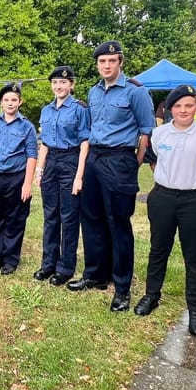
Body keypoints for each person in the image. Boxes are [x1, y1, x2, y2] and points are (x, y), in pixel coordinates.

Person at [133, 85, 196, 336]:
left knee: (194, 256)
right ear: (170, 109)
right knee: (158, 249)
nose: (183, 110)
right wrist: (169, 181)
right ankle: (151, 296)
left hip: (195, 201)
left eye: (188, 105)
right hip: (163, 197)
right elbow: (153, 162)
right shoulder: (159, 134)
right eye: (178, 106)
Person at [70, 41, 155, 313]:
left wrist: (134, 162)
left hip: (120, 159)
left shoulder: (136, 92)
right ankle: (96, 274)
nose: (106, 66)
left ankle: (121, 287)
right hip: (95, 156)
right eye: (102, 62)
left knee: (118, 223)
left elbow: (146, 132)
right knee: (91, 218)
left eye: (111, 61)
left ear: (120, 62)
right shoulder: (94, 92)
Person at [33, 66, 90, 287]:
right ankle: (48, 263)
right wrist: (40, 171)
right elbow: (44, 143)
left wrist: (79, 176)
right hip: (51, 163)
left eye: (64, 83)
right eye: (55, 82)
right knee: (50, 216)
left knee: (68, 216)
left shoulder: (79, 109)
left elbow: (85, 142)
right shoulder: (46, 110)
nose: (59, 86)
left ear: (72, 85)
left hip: (71, 160)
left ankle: (65, 267)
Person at [0, 84, 38, 275]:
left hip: (17, 178)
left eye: (14, 99)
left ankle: (10, 260)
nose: (10, 103)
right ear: (1, 103)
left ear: (20, 102)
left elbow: (31, 156)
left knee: (15, 219)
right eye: (6, 100)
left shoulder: (27, 127)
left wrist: (27, 184)